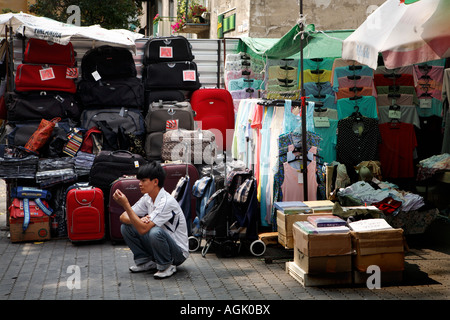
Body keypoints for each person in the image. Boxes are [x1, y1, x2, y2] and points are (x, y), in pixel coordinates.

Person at [112, 161, 189, 279]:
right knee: (126, 227)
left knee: (154, 231)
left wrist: (126, 205)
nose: (139, 184)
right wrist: (139, 220)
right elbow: (123, 217)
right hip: (159, 244)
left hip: (178, 253)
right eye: (140, 181)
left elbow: (143, 230)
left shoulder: (166, 202)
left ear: (155, 182)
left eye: (143, 181)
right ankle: (145, 262)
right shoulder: (148, 197)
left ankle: (167, 265)